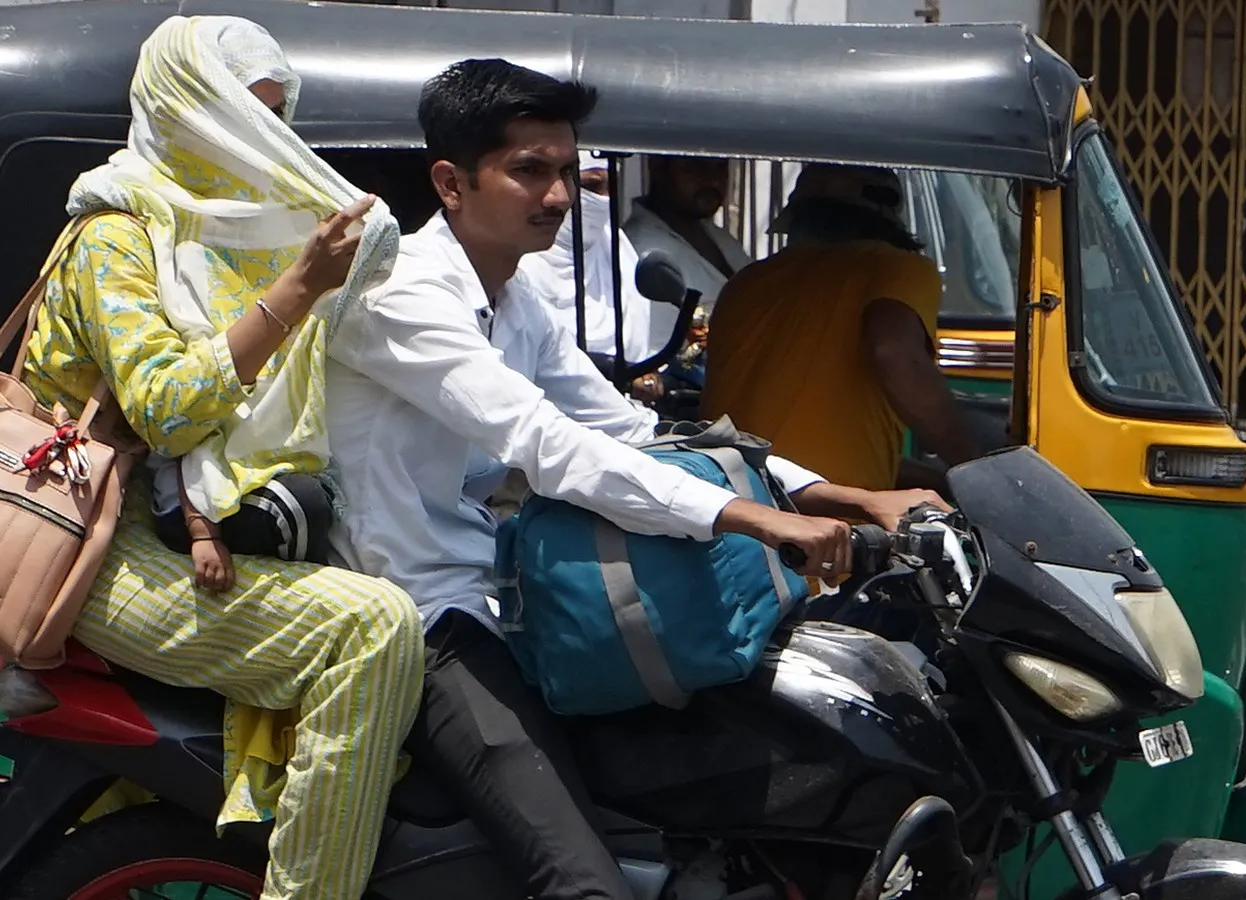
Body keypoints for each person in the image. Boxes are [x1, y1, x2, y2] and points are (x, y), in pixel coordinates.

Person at [325, 58, 944, 900]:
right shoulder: (402, 297)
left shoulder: (514, 298)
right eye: (528, 171)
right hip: (425, 617)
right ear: (452, 182)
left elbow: (629, 429)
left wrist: (843, 495)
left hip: (511, 599)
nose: (555, 196)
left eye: (565, 171)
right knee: (585, 887)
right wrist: (750, 519)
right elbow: (549, 445)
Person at [17, 17, 423, 900]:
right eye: (241, 116)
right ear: (185, 114)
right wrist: (298, 287)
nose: (259, 142)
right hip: (97, 548)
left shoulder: (237, 235)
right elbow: (166, 409)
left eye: (277, 120)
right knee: (374, 628)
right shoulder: (118, 236)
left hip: (203, 524)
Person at [702, 163, 981, 492]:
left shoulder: (745, 283)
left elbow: (794, 446)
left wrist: (931, 479)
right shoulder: (898, 268)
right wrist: (979, 469)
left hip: (731, 505)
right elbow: (894, 353)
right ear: (889, 217)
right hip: (831, 528)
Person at [517, 151, 662, 403]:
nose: (603, 199)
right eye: (590, 186)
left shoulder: (616, 246)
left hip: (629, 417)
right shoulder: (519, 263)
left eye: (610, 187)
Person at [623, 154, 754, 348]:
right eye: (696, 166)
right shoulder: (640, 249)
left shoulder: (720, 238)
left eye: (721, 167)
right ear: (658, 165)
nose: (713, 179)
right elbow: (656, 350)